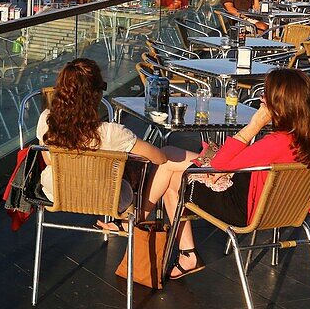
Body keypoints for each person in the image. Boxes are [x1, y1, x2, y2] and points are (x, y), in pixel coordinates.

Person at [161, 68, 310, 278]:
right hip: (287, 210)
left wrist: (254, 125)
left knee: (172, 181)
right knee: (169, 157)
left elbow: (218, 167)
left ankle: (184, 253)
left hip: (246, 212)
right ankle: (161, 238)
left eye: (265, 95)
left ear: (280, 105)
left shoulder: (275, 143)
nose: (261, 99)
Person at [36, 59, 196, 229]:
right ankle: (132, 222)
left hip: (57, 192)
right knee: (155, 161)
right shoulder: (111, 133)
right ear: (95, 95)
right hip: (107, 198)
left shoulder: (46, 120)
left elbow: (49, 161)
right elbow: (160, 158)